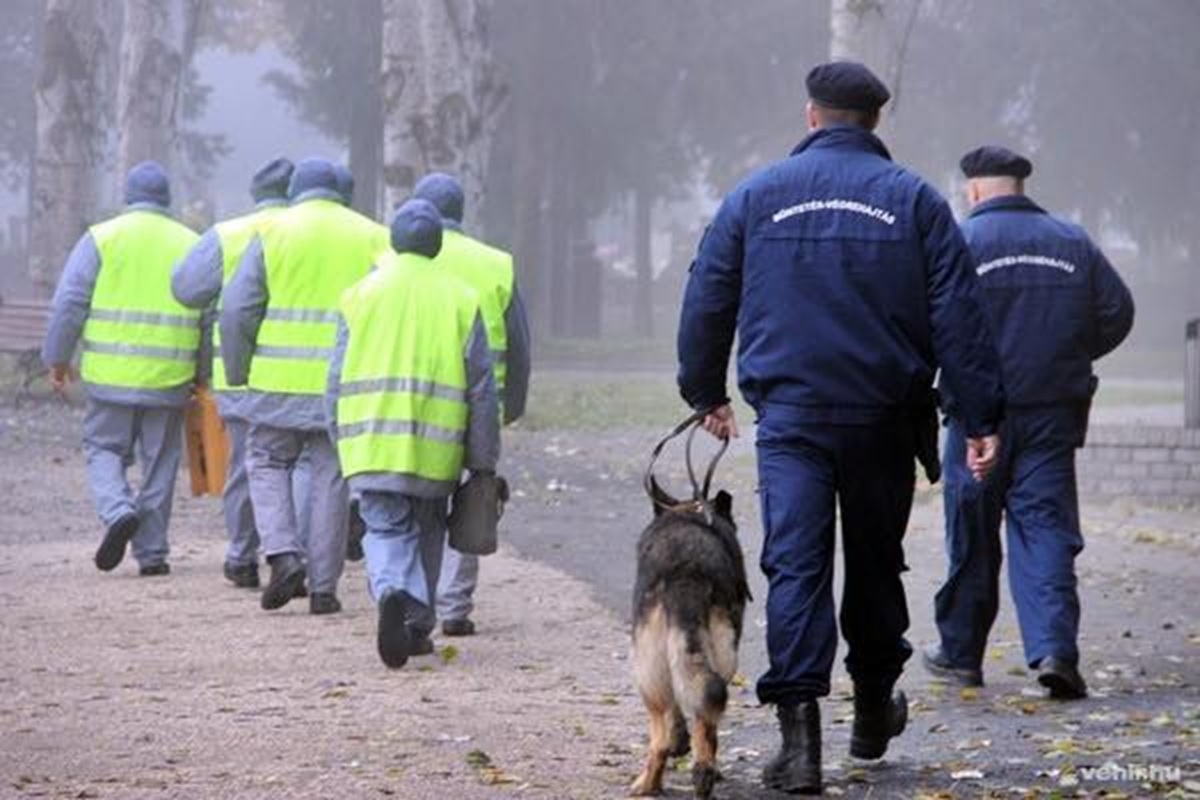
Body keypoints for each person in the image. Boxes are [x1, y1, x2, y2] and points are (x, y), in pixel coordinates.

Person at [676, 62, 1007, 794]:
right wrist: (979, 415)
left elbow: (708, 291)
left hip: (792, 419)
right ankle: (868, 712)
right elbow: (960, 314)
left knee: (796, 565)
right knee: (874, 561)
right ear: (874, 122)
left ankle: (799, 747)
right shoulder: (916, 201)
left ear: (811, 116)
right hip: (885, 418)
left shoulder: (756, 196)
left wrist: (706, 389)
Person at [924, 146, 1135, 700]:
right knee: (1045, 530)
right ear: (1019, 186)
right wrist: (1067, 351)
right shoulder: (1071, 241)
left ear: (973, 189)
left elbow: (930, 322)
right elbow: (1118, 312)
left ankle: (962, 656)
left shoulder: (960, 242)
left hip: (977, 417)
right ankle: (1055, 651)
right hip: (1052, 414)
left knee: (971, 534)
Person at [327, 199, 499, 668]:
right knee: (428, 530)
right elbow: (481, 389)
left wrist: (337, 437)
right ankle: (417, 626)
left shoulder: (358, 295)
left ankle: (390, 592)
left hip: (371, 443)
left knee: (383, 527)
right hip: (435, 449)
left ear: (394, 240)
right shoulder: (463, 299)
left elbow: (335, 378)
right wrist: (482, 460)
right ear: (437, 245)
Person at [220, 157, 389, 615]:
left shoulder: (272, 232)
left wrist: (238, 373)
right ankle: (324, 589)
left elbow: (237, 310)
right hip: (348, 383)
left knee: (267, 461)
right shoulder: (374, 235)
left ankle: (282, 553)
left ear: (295, 190)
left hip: (277, 382)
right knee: (330, 475)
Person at [42, 161, 201, 576]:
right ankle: (152, 554)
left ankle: (116, 511)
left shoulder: (101, 238)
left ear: (127, 198)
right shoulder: (191, 243)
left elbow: (69, 303)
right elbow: (210, 314)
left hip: (110, 376)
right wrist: (202, 374)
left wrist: (57, 359)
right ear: (167, 200)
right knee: (161, 463)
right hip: (170, 377)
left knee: (103, 450)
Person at [412, 173, 531, 638]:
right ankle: (455, 606)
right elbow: (518, 345)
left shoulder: (392, 258)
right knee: (470, 496)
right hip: (480, 405)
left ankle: (412, 594)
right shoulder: (496, 264)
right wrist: (512, 404)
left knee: (418, 503)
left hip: (413, 404)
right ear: (461, 211)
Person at [172, 157, 294, 590]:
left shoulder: (231, 234)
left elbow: (186, 288)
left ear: (255, 193)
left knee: (248, 465)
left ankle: (243, 557)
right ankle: (304, 557)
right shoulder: (321, 233)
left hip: (243, 377)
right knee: (312, 469)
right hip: (320, 380)